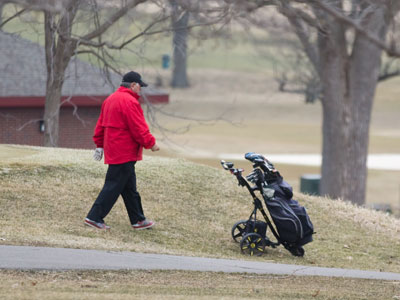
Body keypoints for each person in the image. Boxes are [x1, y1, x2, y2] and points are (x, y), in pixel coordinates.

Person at [84, 71, 160, 230]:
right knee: (113, 186)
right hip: (124, 152)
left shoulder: (109, 100)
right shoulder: (130, 102)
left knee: (129, 188)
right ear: (133, 85)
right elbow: (138, 128)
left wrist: (99, 144)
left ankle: (138, 220)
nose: (141, 90)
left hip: (115, 151)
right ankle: (94, 217)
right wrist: (151, 143)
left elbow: (100, 126)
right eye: (140, 86)